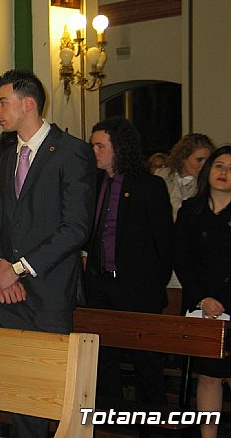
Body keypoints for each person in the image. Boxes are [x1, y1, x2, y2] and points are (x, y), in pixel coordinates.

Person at [0, 69, 95, 438]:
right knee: (17, 390)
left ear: (28, 104)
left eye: (2, 101)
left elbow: (76, 228)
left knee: (50, 391)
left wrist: (19, 268)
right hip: (7, 293)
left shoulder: (72, 151)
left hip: (48, 292)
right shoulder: (8, 152)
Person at [85, 118, 173, 407]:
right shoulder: (94, 183)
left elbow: (164, 243)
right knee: (103, 359)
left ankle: (155, 420)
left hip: (137, 288)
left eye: (100, 145)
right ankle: (110, 419)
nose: (94, 150)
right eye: (93, 144)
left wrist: (152, 286)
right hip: (99, 286)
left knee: (145, 360)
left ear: (119, 148)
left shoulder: (150, 186)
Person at [174, 146, 231, 438]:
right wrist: (203, 299)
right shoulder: (190, 211)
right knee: (208, 376)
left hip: (230, 302)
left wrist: (223, 300)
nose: (224, 173)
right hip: (202, 305)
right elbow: (181, 259)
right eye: (219, 165)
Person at [155, 133, 214, 220]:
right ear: (183, 158)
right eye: (199, 160)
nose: (204, 165)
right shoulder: (162, 176)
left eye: (207, 161)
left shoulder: (209, 184)